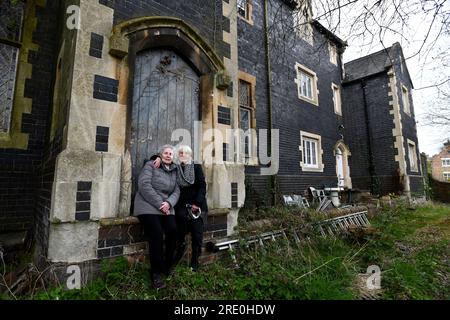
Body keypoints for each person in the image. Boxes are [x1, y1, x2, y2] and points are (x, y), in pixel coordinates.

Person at [153, 145, 208, 272]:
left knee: (196, 233)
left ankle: (194, 262)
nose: (183, 154)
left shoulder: (196, 167)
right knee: (180, 232)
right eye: (180, 153)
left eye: (185, 153)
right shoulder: (175, 167)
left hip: (196, 205)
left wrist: (197, 203)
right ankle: (176, 259)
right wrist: (157, 158)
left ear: (190, 155)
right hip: (181, 205)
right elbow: (163, 158)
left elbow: (202, 186)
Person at [133, 144, 180, 290]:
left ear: (173, 157)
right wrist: (160, 203)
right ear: (160, 155)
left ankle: (167, 266)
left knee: (173, 231)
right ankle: (156, 274)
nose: (168, 155)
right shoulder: (151, 165)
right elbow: (144, 185)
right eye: (165, 153)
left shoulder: (175, 171)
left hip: (166, 207)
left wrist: (168, 203)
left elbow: (177, 191)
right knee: (157, 234)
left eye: (170, 154)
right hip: (147, 205)